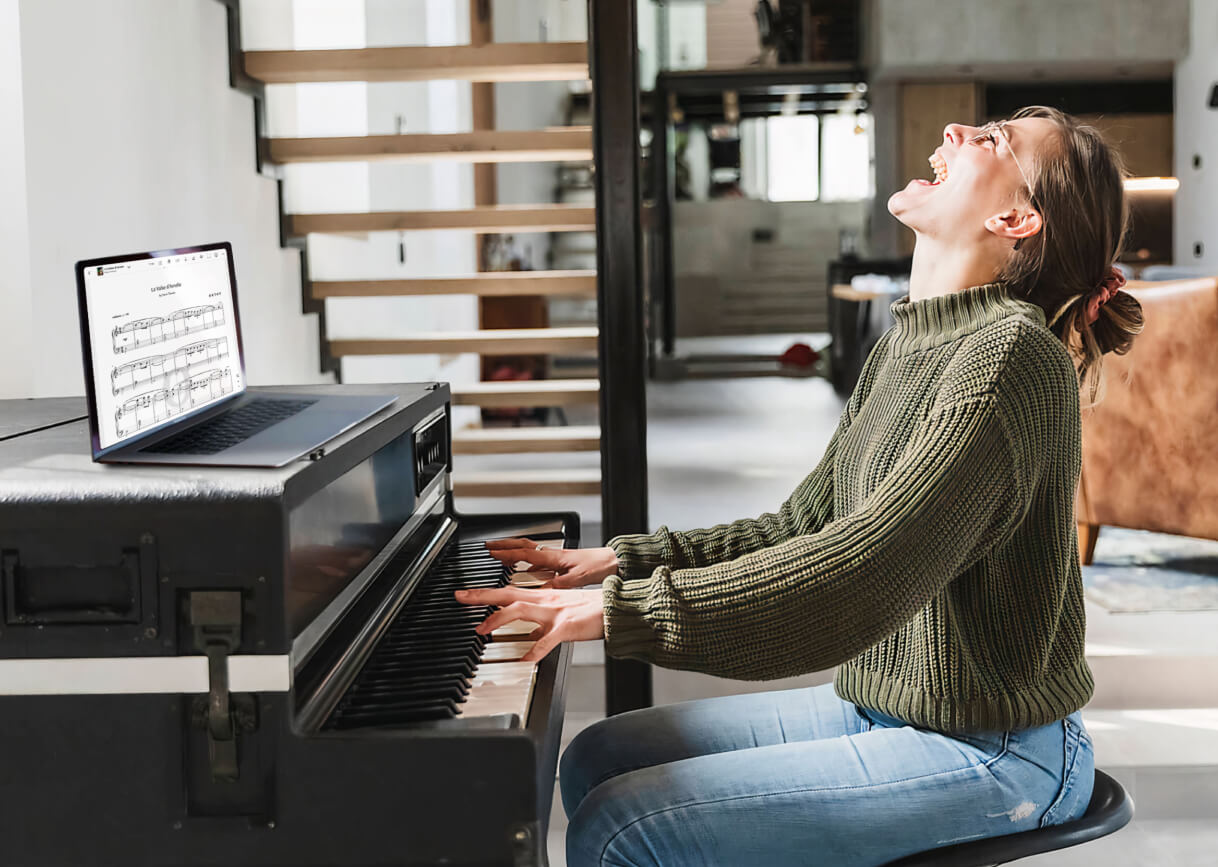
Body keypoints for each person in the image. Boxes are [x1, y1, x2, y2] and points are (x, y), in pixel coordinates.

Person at [456, 106, 1144, 867]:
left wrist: (618, 612)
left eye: (993, 141)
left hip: (997, 750)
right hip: (887, 708)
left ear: (1016, 217)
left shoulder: (1011, 359)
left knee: (625, 827)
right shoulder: (910, 343)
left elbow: (864, 577)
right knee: (596, 756)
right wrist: (623, 563)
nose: (954, 130)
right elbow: (807, 523)